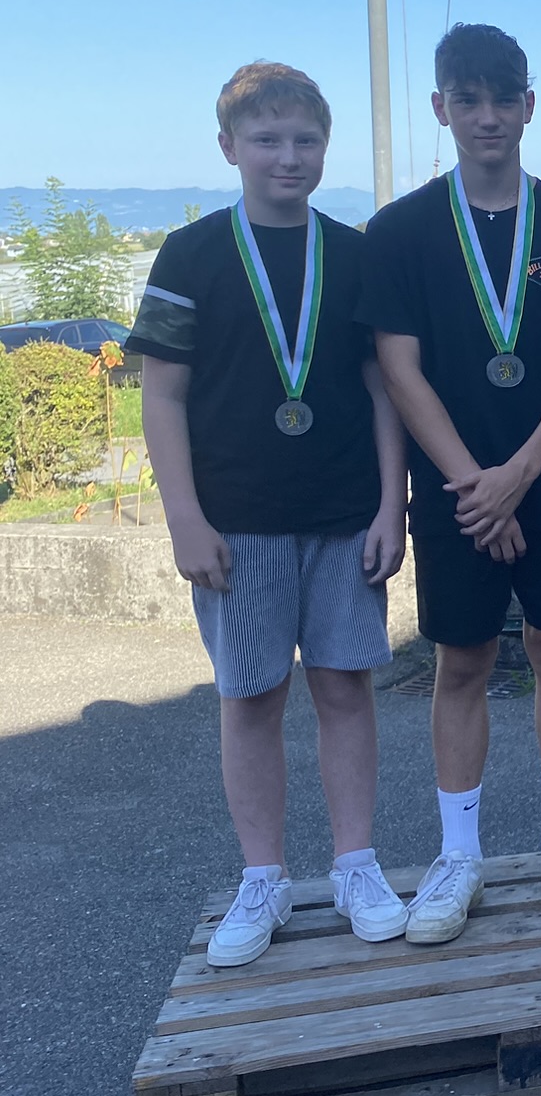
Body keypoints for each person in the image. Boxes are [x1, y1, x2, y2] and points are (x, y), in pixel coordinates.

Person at [361, 24, 541, 940]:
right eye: (467, 99)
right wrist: (474, 484)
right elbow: (399, 369)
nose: (487, 116)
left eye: (502, 99)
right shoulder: (400, 231)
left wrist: (516, 477)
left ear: (529, 105)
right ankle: (459, 857)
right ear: (440, 108)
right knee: (463, 660)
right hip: (457, 488)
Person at [130, 62, 409, 966]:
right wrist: (183, 515)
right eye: (267, 140)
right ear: (229, 147)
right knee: (250, 696)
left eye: (305, 141)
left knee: (345, 687)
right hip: (235, 520)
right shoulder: (191, 255)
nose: (288, 157)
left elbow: (382, 387)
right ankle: (263, 876)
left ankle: (356, 864)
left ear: (325, 148)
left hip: (343, 514)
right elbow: (162, 394)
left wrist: (391, 503)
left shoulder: (354, 254)